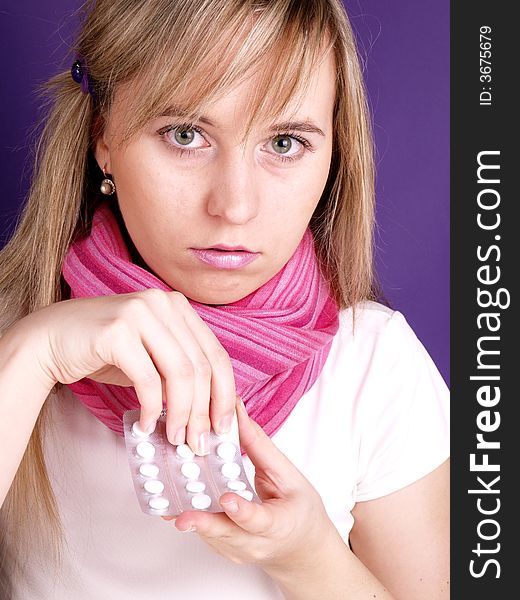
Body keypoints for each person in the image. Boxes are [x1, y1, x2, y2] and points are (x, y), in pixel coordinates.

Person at [0, 0, 449, 598]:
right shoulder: (15, 332)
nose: (235, 206)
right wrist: (36, 351)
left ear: (335, 154)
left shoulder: (374, 365)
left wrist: (310, 556)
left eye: (285, 143)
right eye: (186, 135)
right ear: (102, 135)